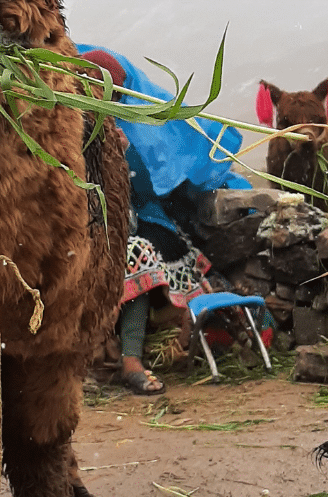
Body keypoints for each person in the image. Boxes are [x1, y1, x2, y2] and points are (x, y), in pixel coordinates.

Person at [77, 46, 251, 396]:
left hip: (134, 226)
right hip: (82, 227)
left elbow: (144, 193)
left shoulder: (129, 137)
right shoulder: (63, 133)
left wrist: (122, 156)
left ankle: (133, 360)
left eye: (108, 94)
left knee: (141, 255)